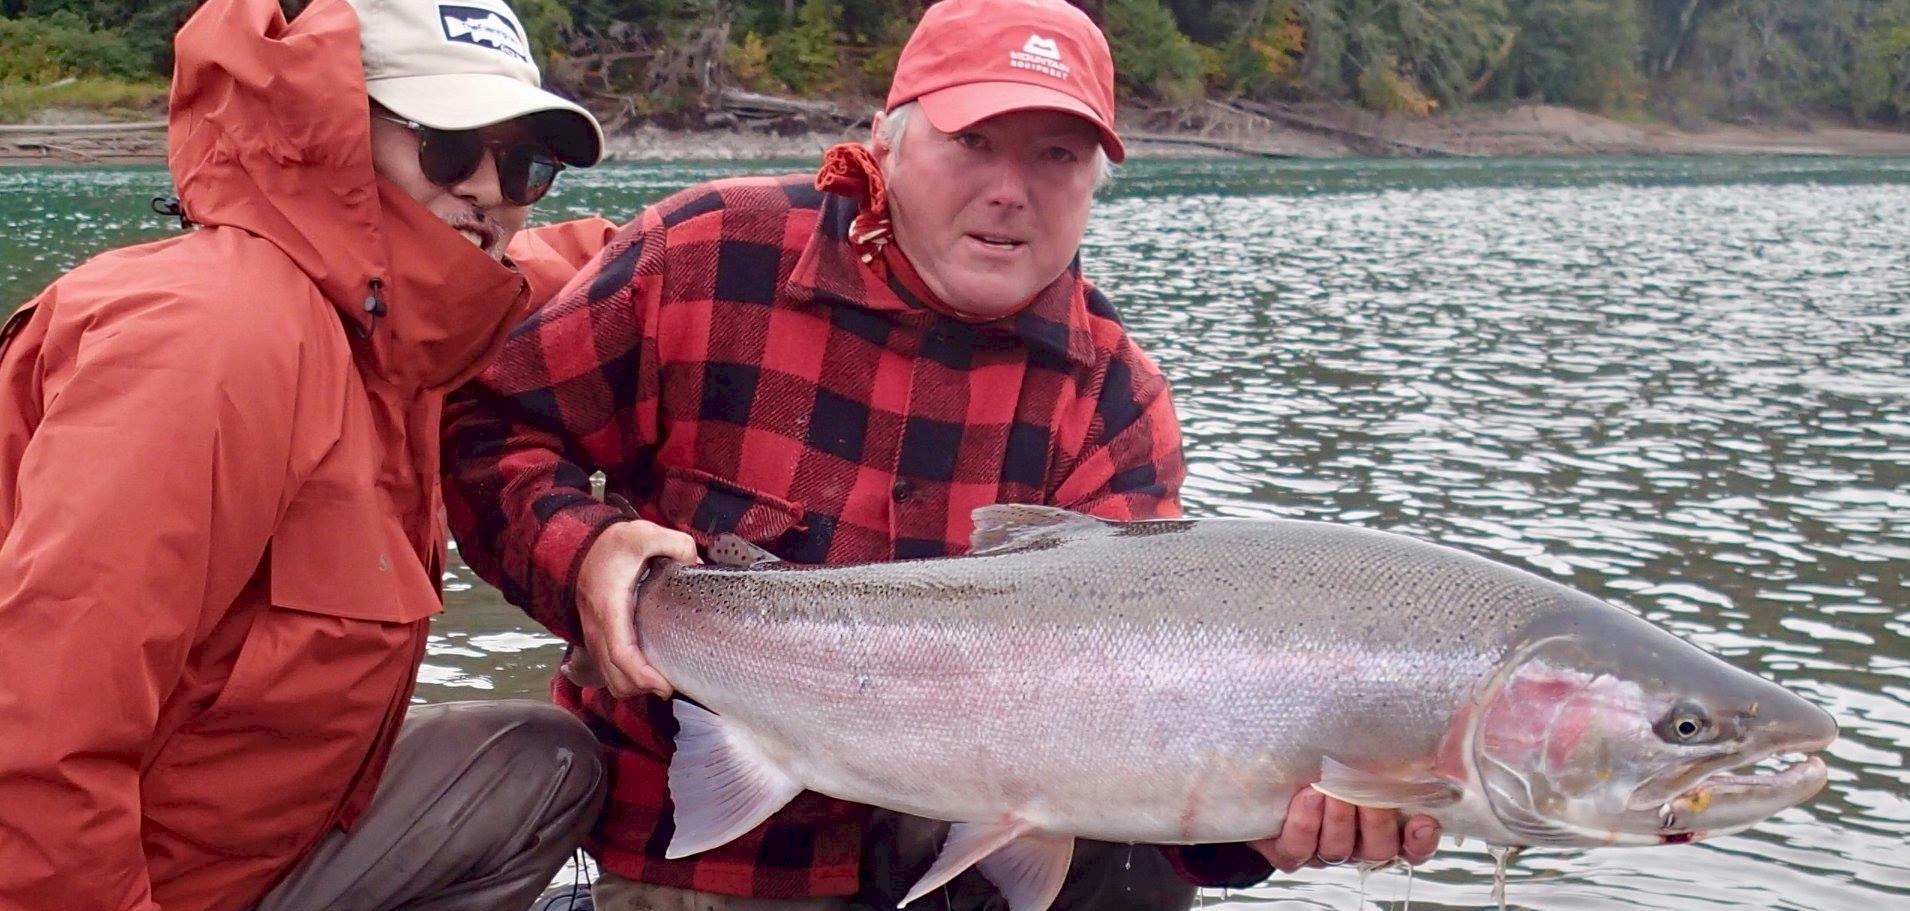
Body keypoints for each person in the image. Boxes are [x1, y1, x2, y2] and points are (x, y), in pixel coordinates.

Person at [441, 1, 1442, 908]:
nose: (1011, 191)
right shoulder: (706, 255)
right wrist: (586, 553)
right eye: (972, 142)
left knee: (1127, 874)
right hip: (698, 844)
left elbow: (1151, 732)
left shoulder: (1113, 400)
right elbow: (485, 432)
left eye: (1055, 156)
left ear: (1095, 179)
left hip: (960, 857)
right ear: (885, 137)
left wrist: (1262, 827)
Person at [0, 1, 625, 909]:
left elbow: (607, 268)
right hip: (104, 879)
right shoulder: (212, 342)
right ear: (329, 135)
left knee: (544, 764)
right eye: (453, 148)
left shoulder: (410, 320)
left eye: (526, 166)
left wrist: (818, 218)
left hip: (256, 857)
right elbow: (36, 742)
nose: (492, 190)